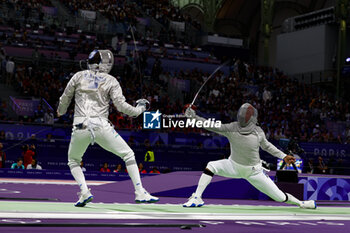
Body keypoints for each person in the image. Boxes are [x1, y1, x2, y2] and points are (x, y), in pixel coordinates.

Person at [57, 49, 158, 207]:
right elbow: (121, 106)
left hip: (80, 125)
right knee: (128, 155)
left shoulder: (78, 76)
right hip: (101, 125)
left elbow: (65, 98)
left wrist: (60, 111)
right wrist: (139, 110)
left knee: (73, 160)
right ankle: (139, 192)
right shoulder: (111, 80)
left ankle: (84, 192)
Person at [183, 103, 316, 209]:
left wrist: (283, 156)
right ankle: (197, 197)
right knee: (211, 166)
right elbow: (210, 125)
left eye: (247, 115)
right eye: (243, 115)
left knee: (280, 197)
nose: (244, 117)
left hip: (254, 172)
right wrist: (193, 117)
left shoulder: (258, 132)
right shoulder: (232, 128)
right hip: (233, 166)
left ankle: (302, 203)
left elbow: (267, 146)